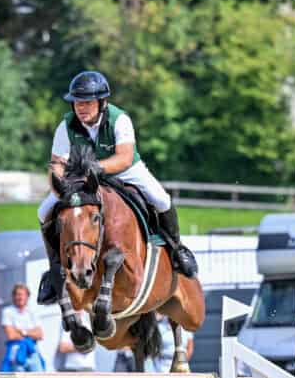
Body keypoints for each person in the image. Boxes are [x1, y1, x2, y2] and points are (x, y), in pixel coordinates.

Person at [36, 70, 197, 304]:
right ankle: (55, 270)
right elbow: (57, 163)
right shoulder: (66, 125)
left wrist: (96, 168)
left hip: (126, 170)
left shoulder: (119, 119)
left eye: (87, 102)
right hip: (82, 178)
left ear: (102, 102)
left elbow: (123, 157)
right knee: (43, 211)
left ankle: (176, 250)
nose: (81, 108)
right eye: (77, 102)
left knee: (161, 199)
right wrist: (61, 184)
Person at [0, 283, 45, 372]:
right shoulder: (7, 311)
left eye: (22, 295)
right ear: (13, 296)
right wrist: (32, 333)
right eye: (17, 294)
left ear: (27, 297)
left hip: (32, 351)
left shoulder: (33, 311)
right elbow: (11, 335)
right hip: (16, 352)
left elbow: (40, 335)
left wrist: (22, 332)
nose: (20, 297)